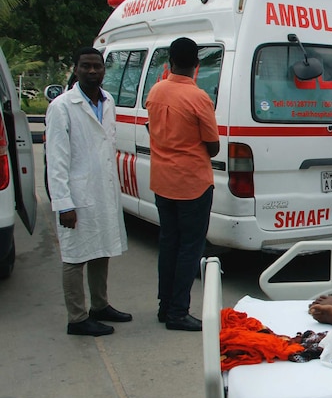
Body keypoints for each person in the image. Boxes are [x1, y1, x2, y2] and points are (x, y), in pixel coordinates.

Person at [46, 47, 131, 336]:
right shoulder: (61, 106)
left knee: (100, 249)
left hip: (102, 190)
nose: (92, 71)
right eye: (86, 66)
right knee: (74, 257)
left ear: (104, 70)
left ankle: (100, 305)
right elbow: (56, 159)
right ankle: (78, 318)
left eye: (97, 66)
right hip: (76, 194)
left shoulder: (107, 101)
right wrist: (63, 204)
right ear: (76, 69)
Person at [145, 37, 220, 332]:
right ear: (197, 65)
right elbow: (212, 147)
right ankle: (178, 312)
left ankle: (166, 307)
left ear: (169, 62)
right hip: (192, 184)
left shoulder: (156, 90)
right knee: (190, 248)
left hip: (162, 181)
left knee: (169, 244)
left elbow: (152, 128)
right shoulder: (199, 98)